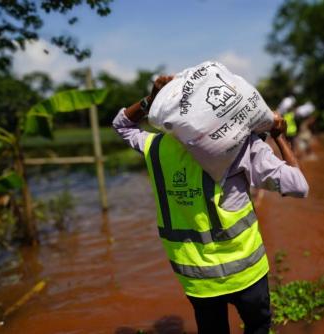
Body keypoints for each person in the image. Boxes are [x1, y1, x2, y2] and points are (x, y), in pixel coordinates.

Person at [112, 76, 309, 334]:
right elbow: (298, 185)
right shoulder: (242, 147)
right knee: (258, 326)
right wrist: (279, 137)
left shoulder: (155, 146)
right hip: (246, 271)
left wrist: (151, 98)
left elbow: (121, 125)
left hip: (196, 278)